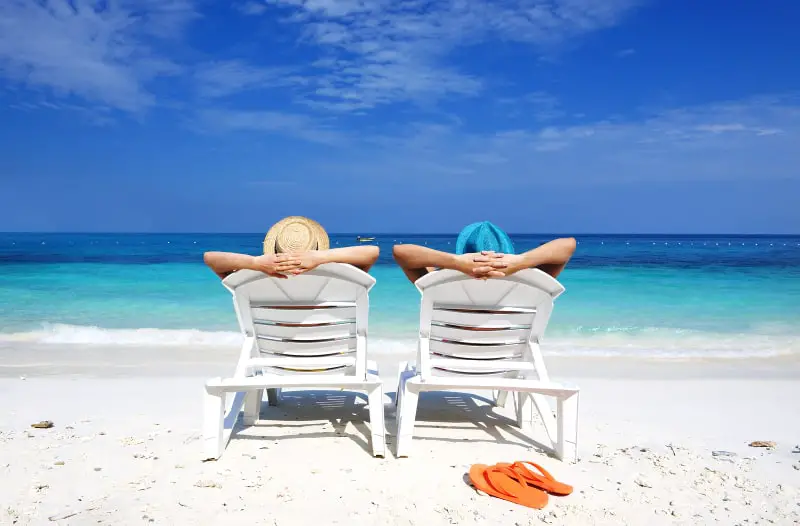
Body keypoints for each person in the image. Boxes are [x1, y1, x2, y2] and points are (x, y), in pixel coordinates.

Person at [392, 221, 576, 283]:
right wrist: (520, 262)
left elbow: (401, 252)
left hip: (446, 368)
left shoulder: (440, 282)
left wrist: (455, 263)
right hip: (507, 368)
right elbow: (568, 245)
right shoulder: (530, 283)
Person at [203, 216, 379, 279]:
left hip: (275, 355)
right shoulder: (340, 277)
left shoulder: (252, 279)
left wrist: (255, 262)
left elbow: (210, 258)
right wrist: (320, 258)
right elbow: (372, 252)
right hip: (334, 356)